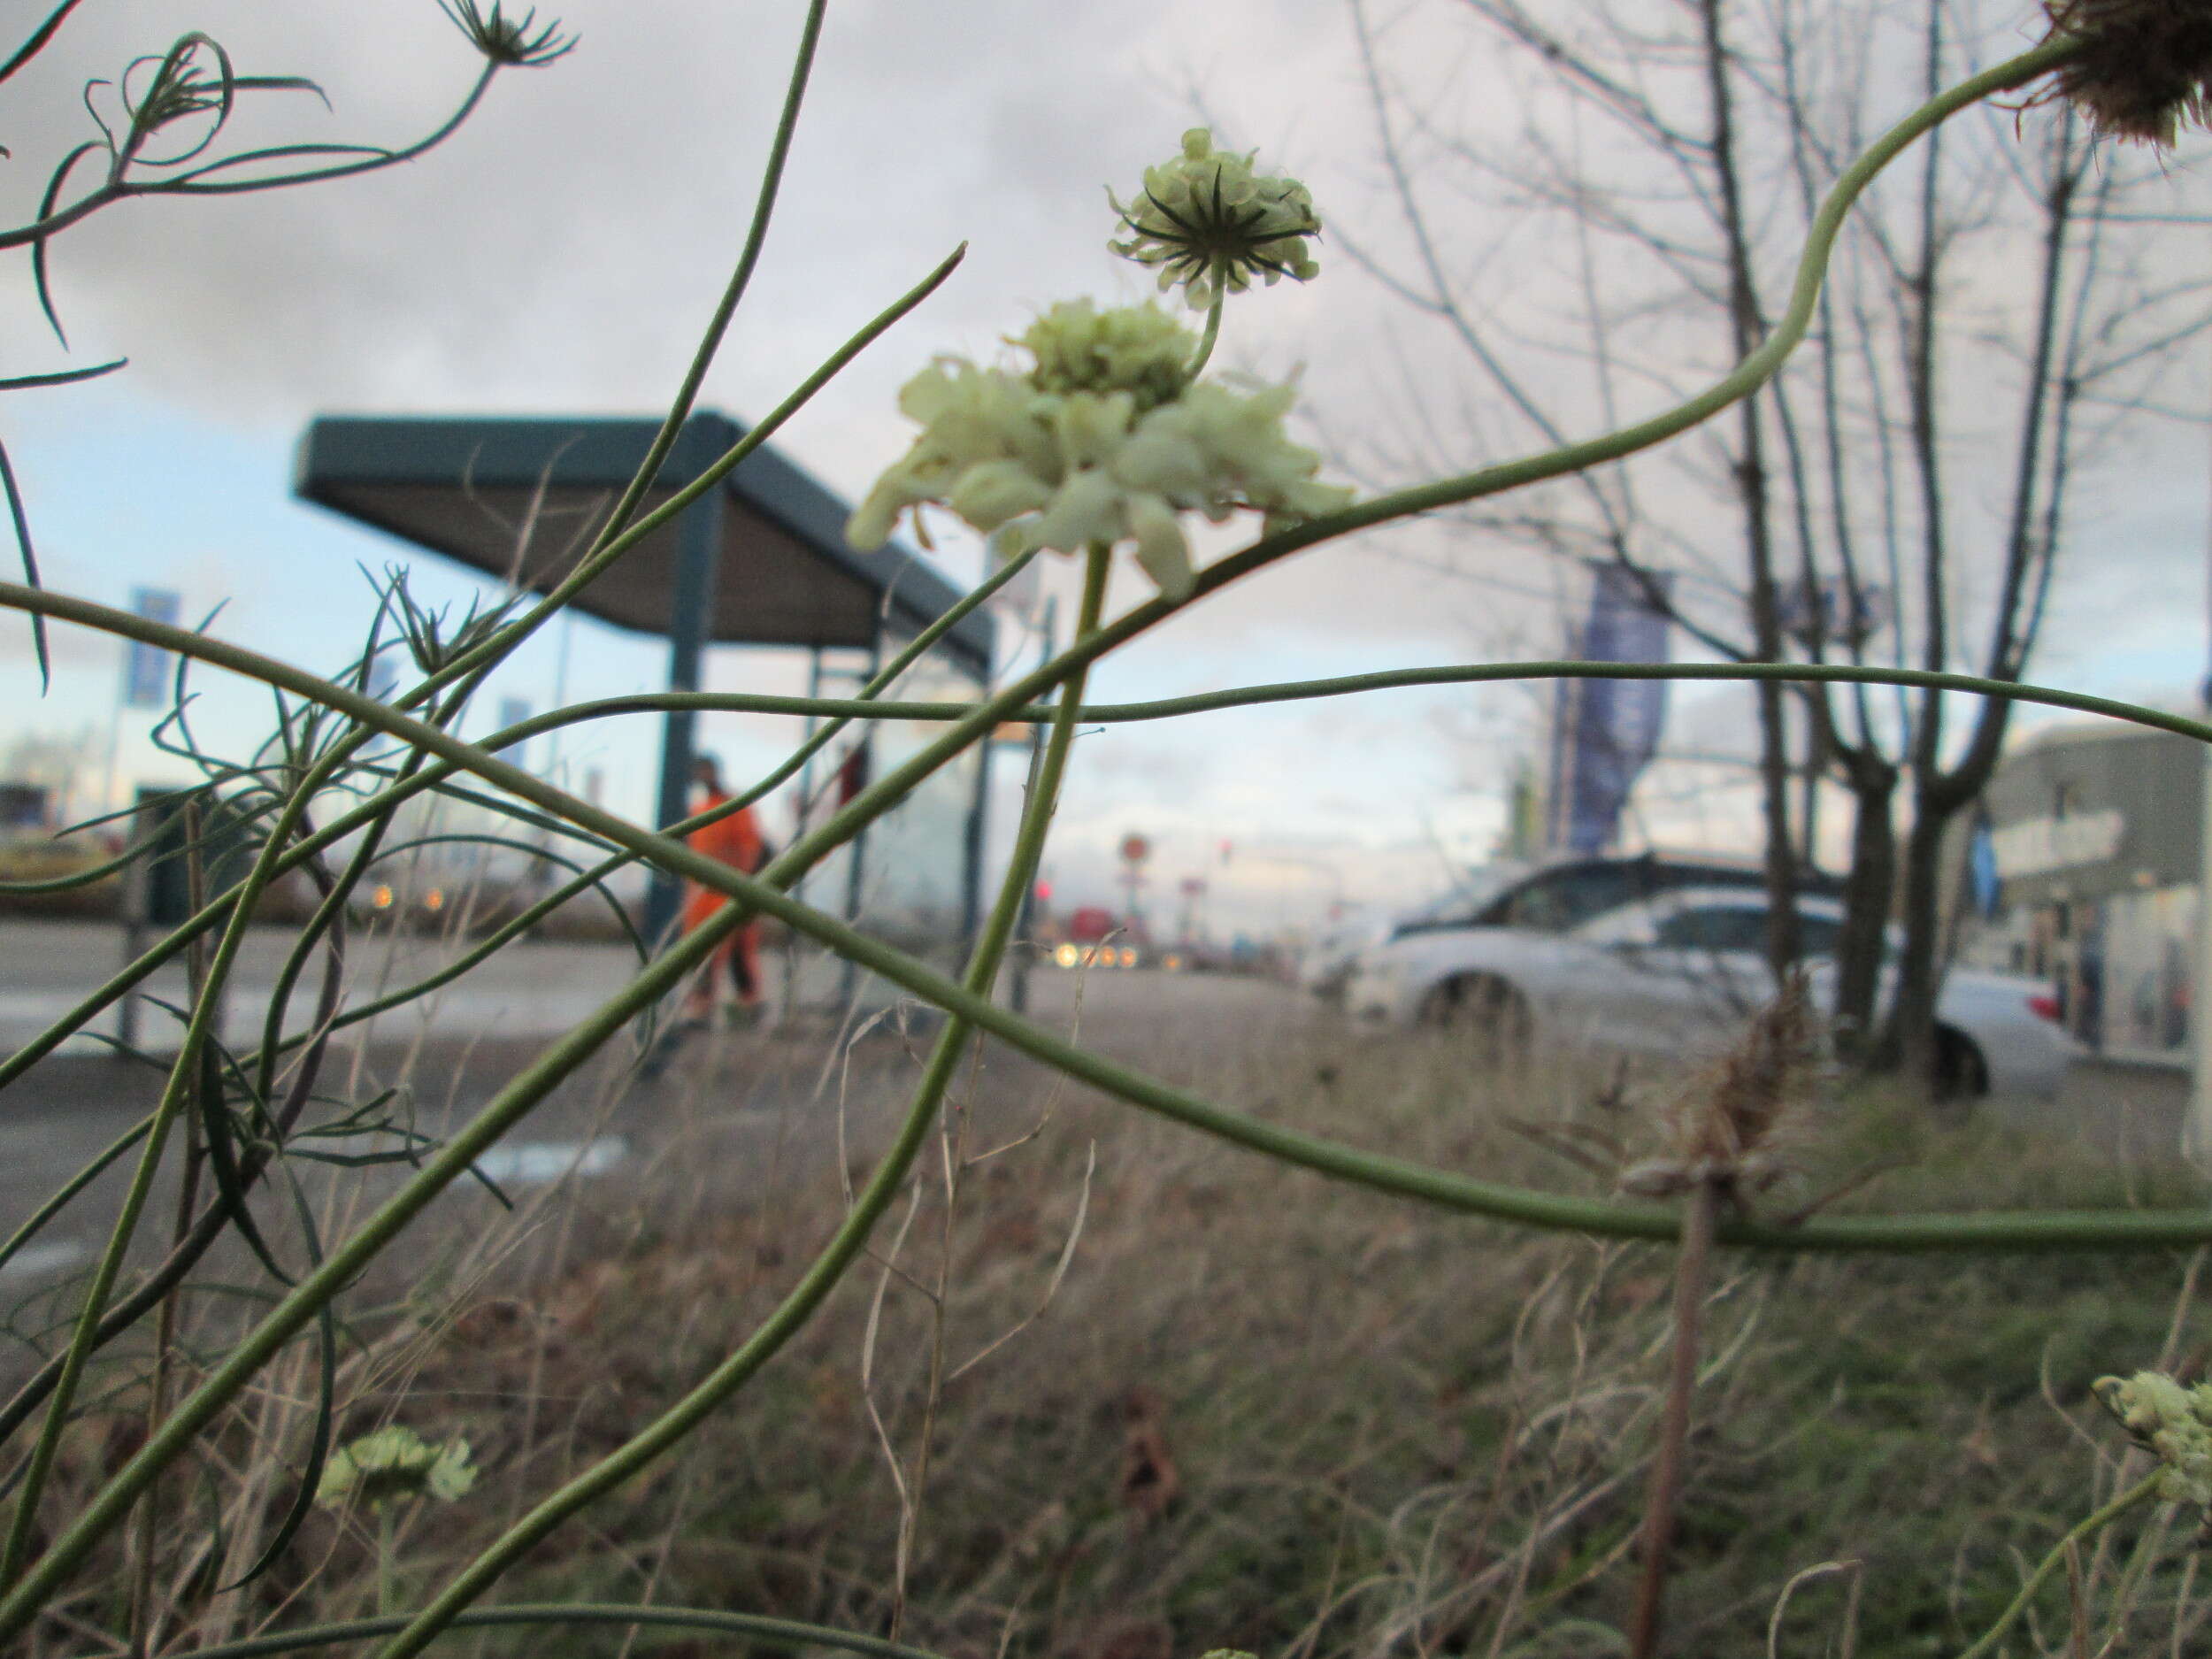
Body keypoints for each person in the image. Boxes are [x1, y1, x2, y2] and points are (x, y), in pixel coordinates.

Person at [678, 753, 769, 1025]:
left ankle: (747, 1001)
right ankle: (703, 1002)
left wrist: (745, 880)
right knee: (700, 948)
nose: (703, 776)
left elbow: (751, 845)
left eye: (707, 770)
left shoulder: (733, 806)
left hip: (731, 887)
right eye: (699, 771)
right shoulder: (699, 810)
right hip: (702, 892)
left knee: (739, 947)